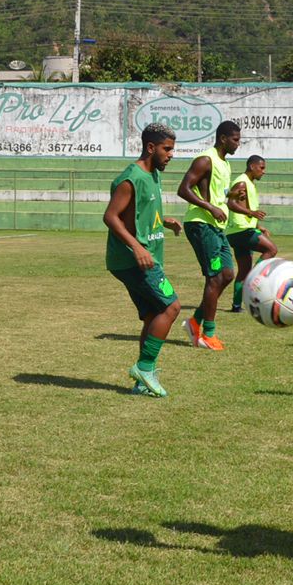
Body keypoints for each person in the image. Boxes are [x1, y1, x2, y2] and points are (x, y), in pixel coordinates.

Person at [104, 123, 183, 397]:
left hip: (144, 257)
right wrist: (137, 247)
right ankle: (145, 368)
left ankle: (142, 382)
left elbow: (141, 212)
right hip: (134, 260)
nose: (172, 154)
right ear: (151, 148)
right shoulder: (131, 178)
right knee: (172, 307)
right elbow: (111, 216)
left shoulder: (153, 174)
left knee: (153, 315)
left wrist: (165, 220)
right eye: (167, 149)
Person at [177, 120, 242, 350]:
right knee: (215, 277)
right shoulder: (206, 159)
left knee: (227, 275)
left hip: (216, 226)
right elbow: (183, 189)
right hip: (201, 224)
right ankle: (207, 334)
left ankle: (195, 321)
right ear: (223, 138)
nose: (238, 144)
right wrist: (210, 207)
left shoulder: (224, 164)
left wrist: (230, 196)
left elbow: (218, 196)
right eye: (235, 139)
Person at [224, 154, 278, 312]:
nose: (264, 171)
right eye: (261, 168)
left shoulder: (248, 183)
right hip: (241, 231)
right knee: (271, 249)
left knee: (244, 270)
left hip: (238, 231)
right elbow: (231, 203)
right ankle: (256, 278)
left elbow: (235, 201)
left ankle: (236, 306)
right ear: (252, 166)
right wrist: (251, 213)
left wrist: (257, 225)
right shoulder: (242, 182)